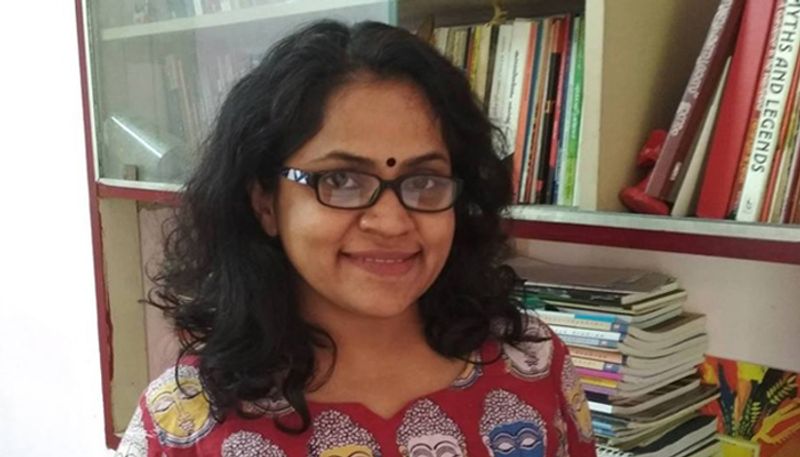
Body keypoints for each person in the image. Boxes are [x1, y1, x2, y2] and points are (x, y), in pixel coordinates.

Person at [115, 19, 597, 457]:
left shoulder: (533, 365)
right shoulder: (185, 421)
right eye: (341, 180)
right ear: (266, 204)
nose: (391, 222)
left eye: (425, 181)